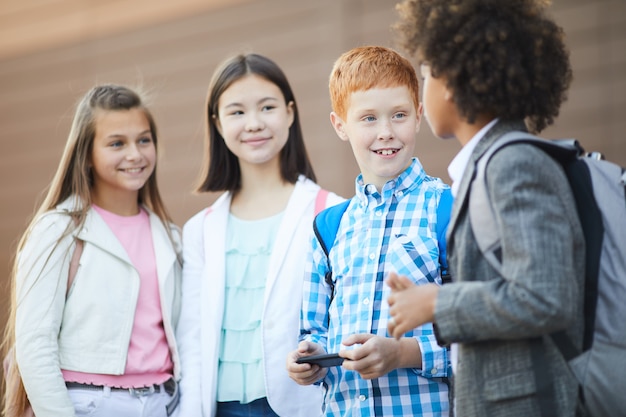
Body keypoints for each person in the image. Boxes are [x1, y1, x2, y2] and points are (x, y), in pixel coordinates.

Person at [387, 1, 585, 416]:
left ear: (454, 81)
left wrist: (436, 303)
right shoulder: (489, 165)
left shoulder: (513, 164)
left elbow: (545, 295)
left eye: (425, 74)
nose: (424, 86)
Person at [175, 53, 343, 417]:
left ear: (290, 112)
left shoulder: (332, 213)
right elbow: (192, 339)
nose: (253, 123)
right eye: (237, 112)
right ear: (217, 123)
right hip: (218, 408)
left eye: (267, 107)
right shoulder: (201, 228)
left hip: (303, 405)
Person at [287, 45, 452, 416]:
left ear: (419, 115)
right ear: (340, 125)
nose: (386, 132)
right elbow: (313, 331)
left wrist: (404, 354)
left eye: (399, 115)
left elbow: (481, 340)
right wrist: (311, 358)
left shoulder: (447, 210)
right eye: (368, 119)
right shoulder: (330, 227)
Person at [2, 84, 183, 417]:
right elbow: (34, 344)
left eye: (144, 139)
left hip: (163, 404)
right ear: (86, 154)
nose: (135, 154)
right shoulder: (58, 230)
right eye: (117, 143)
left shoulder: (170, 235)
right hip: (86, 404)